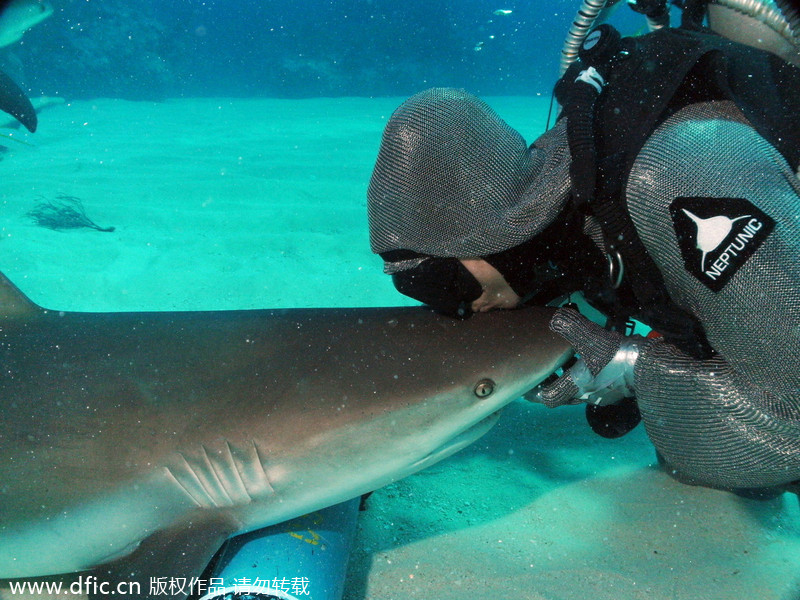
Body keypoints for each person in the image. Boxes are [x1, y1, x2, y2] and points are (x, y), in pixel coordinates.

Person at [366, 1, 800, 496]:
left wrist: (636, 370)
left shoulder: (676, 186)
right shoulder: (574, 175)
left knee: (715, 450)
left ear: (490, 231)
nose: (468, 309)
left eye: (446, 286)